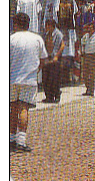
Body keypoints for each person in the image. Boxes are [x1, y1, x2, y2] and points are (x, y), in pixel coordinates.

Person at [10, 13, 47, 152]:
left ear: (16, 24)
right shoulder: (37, 39)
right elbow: (43, 59)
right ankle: (21, 140)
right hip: (29, 79)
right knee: (23, 108)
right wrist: (36, 70)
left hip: (12, 78)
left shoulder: (11, 39)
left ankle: (11, 138)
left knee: (13, 108)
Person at [41, 19, 64, 104]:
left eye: (48, 26)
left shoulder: (58, 34)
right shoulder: (46, 35)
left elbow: (62, 45)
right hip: (47, 57)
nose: (46, 28)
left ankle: (56, 95)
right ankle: (49, 96)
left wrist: (56, 56)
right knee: (46, 78)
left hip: (55, 58)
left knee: (55, 78)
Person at [80, 14, 95, 97]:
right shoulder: (85, 36)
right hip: (86, 56)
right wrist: (82, 52)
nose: (89, 29)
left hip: (93, 56)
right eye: (88, 27)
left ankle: (91, 90)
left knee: (92, 74)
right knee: (85, 74)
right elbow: (82, 44)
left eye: (91, 28)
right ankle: (87, 88)